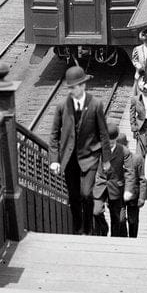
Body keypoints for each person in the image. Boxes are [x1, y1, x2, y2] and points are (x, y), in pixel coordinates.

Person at [49, 65, 112, 235]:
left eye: (74, 87)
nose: (72, 91)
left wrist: (106, 160)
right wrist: (54, 159)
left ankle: (88, 230)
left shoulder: (96, 104)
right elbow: (54, 134)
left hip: (90, 157)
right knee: (74, 197)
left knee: (86, 194)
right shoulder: (62, 106)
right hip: (69, 159)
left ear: (83, 86)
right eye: (69, 87)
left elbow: (104, 134)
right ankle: (78, 230)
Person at [93, 124, 134, 237]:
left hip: (116, 186)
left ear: (116, 139)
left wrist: (128, 190)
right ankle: (104, 228)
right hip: (100, 184)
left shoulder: (124, 151)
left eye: (112, 141)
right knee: (96, 212)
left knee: (116, 218)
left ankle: (114, 240)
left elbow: (130, 172)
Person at [117, 132, 146, 238]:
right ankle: (123, 239)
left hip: (134, 195)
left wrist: (142, 198)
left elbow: (142, 179)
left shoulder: (137, 159)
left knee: (133, 220)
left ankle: (133, 238)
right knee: (120, 219)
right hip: (118, 195)